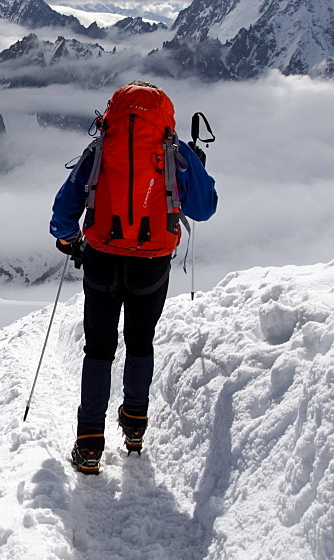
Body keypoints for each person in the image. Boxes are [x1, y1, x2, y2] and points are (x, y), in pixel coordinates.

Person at [50, 81, 217, 474]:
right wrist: (196, 166)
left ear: (112, 116)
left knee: (99, 348)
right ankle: (135, 427)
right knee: (140, 343)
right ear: (165, 120)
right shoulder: (175, 151)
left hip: (102, 258)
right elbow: (204, 208)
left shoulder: (100, 149)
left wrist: (69, 241)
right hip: (152, 261)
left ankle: (89, 441)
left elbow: (65, 206)